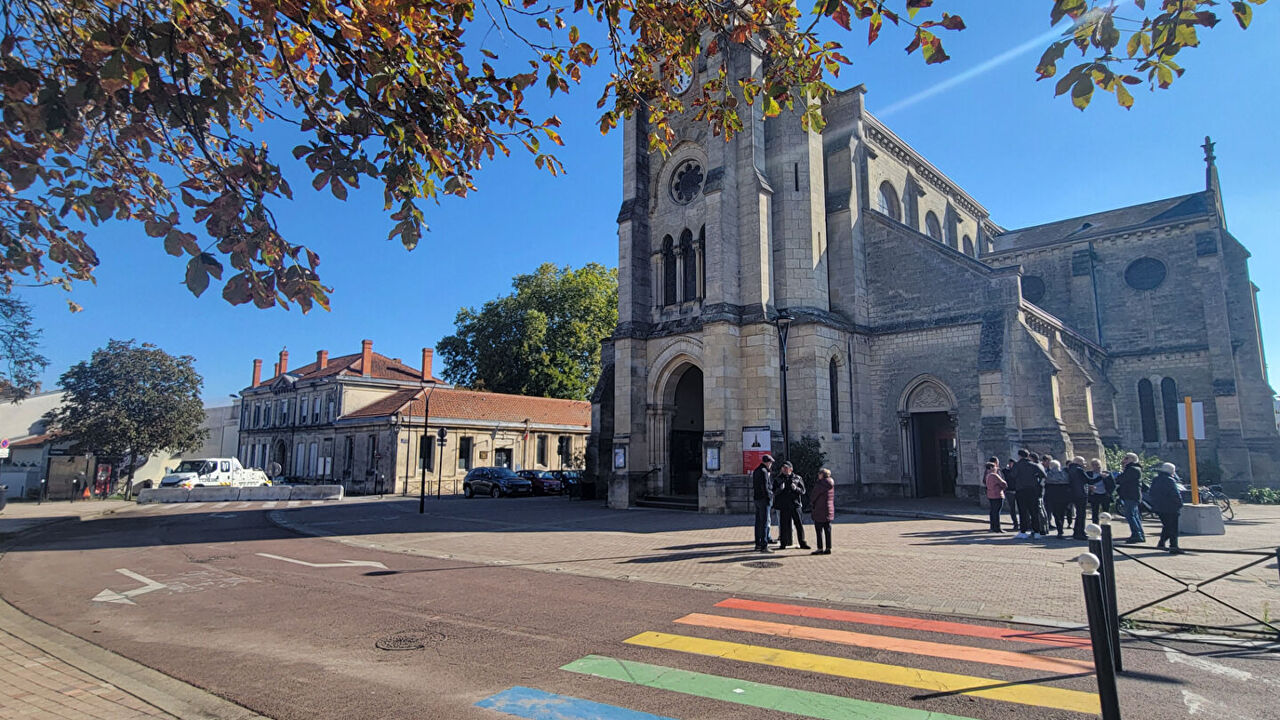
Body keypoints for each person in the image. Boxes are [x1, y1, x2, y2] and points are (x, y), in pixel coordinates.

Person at [1147, 462, 1184, 554]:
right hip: (1171, 507)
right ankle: (1173, 546)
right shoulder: (1170, 480)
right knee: (1173, 528)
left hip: (1159, 507)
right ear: (1172, 471)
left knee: (1167, 526)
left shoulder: (1156, 479)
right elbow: (1175, 494)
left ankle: (1161, 543)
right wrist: (1180, 504)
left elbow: (1151, 493)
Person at [773, 462, 809, 549]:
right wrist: (780, 489)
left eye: (786, 468)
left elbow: (803, 491)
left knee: (799, 524)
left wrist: (796, 488)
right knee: (784, 525)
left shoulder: (797, 478)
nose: (784, 470)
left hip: (795, 504)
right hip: (784, 505)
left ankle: (802, 542)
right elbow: (774, 491)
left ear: (791, 469)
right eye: (783, 468)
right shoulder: (778, 479)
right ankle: (783, 543)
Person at [1011, 450, 1046, 539]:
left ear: (1019, 456)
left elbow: (1013, 475)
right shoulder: (1034, 465)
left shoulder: (1017, 465)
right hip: (1033, 490)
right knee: (1034, 511)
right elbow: (1043, 475)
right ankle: (1037, 531)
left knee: (1023, 512)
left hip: (1021, 490)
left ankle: (1023, 531)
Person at [1115, 452, 1146, 543]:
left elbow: (1121, 479)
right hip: (1132, 495)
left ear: (1132, 459)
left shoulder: (1132, 469)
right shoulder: (1133, 469)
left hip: (1131, 495)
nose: (1123, 460)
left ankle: (1137, 534)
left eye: (1126, 458)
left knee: (1130, 515)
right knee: (1134, 515)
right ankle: (1139, 534)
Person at [751, 455, 775, 553]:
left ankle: (758, 544)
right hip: (763, 500)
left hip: (757, 499)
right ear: (767, 462)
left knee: (758, 522)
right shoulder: (764, 472)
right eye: (771, 463)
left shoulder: (756, 470)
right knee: (764, 522)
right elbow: (765, 487)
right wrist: (770, 496)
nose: (771, 465)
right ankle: (764, 545)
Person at [809, 468, 835, 554]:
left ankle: (820, 548)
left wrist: (812, 503)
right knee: (827, 529)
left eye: (819, 474)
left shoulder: (820, 484)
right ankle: (828, 548)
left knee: (819, 530)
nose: (818, 476)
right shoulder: (831, 483)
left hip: (819, 509)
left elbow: (814, 496)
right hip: (828, 509)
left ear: (822, 475)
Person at [1044, 459, 1071, 538]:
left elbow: (1045, 484)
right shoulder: (1065, 474)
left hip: (1053, 497)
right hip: (1063, 497)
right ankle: (1061, 528)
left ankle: (1060, 530)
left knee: (1056, 514)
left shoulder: (1048, 474)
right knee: (1062, 514)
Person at [1066, 456, 1090, 540]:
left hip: (1073, 494)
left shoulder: (1070, 469)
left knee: (1078, 514)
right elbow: (1088, 480)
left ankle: (1076, 531)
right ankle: (1080, 533)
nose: (1084, 464)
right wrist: (1101, 477)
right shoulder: (1079, 470)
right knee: (1081, 515)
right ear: (1079, 462)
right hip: (1080, 494)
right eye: (1083, 462)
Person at [1087, 458, 1114, 524]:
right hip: (1094, 495)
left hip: (1105, 495)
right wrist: (1090, 488)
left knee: (1106, 513)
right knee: (1095, 512)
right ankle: (1095, 527)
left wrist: (1109, 493)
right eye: (1095, 465)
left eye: (1099, 465)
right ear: (1092, 466)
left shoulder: (1107, 473)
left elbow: (1113, 485)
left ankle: (1106, 526)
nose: (1098, 467)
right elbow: (1086, 483)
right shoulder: (1089, 474)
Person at [984, 462, 1007, 532]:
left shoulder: (987, 475)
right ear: (991, 468)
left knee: (993, 511)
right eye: (995, 467)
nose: (996, 468)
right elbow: (1003, 483)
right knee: (997, 512)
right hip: (997, 495)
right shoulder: (994, 475)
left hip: (990, 495)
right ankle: (997, 527)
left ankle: (993, 526)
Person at [1003, 457, 1019, 531]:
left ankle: (1023, 523)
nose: (1010, 464)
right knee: (1012, 508)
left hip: (1018, 491)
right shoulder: (1006, 471)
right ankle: (1015, 523)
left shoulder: (1018, 470)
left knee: (1021, 508)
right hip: (1010, 491)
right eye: (1009, 463)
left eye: (1012, 463)